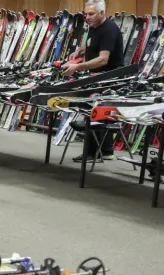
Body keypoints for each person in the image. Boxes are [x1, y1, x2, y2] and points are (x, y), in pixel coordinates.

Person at [65, 0, 124, 162]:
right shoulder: (94, 27)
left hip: (109, 78)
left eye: (91, 14)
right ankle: (105, 151)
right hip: (97, 77)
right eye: (86, 14)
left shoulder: (109, 30)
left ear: (102, 13)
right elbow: (91, 45)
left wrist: (77, 68)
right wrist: (79, 51)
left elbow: (103, 60)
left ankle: (93, 153)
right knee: (93, 112)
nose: (87, 17)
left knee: (94, 112)